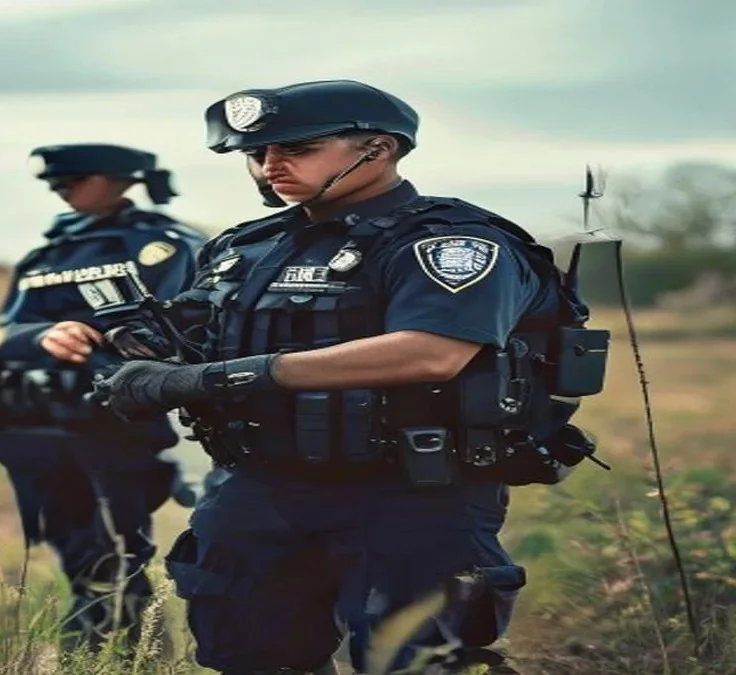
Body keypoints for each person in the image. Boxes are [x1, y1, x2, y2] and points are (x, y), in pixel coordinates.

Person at [40, 80, 609, 674]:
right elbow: (196, 336)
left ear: (379, 149)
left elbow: (434, 351)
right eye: (256, 154)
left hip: (412, 492)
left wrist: (224, 378)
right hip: (258, 486)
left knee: (419, 661)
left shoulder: (449, 241)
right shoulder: (247, 247)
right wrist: (118, 341)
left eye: (298, 148)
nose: (269, 165)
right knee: (250, 655)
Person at [0, 142, 210, 652]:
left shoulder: (164, 244)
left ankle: (123, 648)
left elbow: (187, 323)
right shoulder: (47, 253)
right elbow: (1, 333)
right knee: (70, 540)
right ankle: (100, 639)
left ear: (120, 180)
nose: (59, 190)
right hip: (37, 421)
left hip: (116, 421)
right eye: (53, 184)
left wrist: (102, 336)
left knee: (116, 544)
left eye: (72, 181)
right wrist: (45, 334)